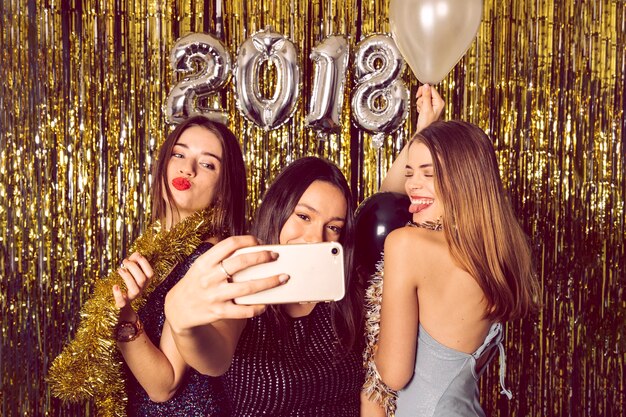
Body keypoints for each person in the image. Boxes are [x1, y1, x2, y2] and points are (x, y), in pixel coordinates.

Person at [362, 86, 540, 416]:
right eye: (410, 173)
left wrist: (373, 332)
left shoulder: (407, 245)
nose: (413, 185)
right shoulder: (493, 255)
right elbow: (387, 203)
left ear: (464, 181)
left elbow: (392, 374)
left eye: (428, 174)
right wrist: (425, 127)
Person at [164, 157, 366, 416]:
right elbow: (214, 359)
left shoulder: (350, 293)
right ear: (277, 211)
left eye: (333, 227)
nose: (317, 238)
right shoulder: (245, 282)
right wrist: (183, 326)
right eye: (304, 216)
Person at [112, 115, 247, 416]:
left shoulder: (208, 260)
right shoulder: (157, 251)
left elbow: (163, 385)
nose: (188, 168)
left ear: (224, 189)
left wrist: (123, 316)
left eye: (208, 163)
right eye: (179, 153)